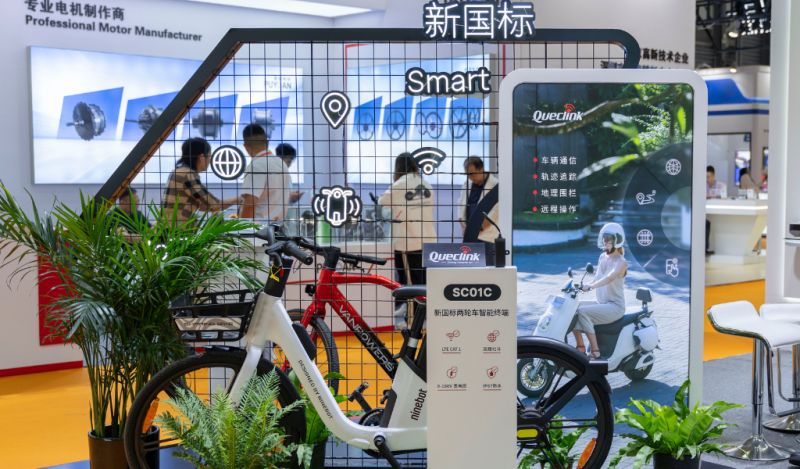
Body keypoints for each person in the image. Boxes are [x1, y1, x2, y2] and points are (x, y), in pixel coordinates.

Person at [378, 153, 437, 329]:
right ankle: (424, 318)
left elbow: (382, 201)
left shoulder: (399, 185)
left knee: (410, 284)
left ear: (398, 167)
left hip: (408, 242)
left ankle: (413, 322)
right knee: (424, 282)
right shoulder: (426, 184)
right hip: (428, 240)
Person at [573, 222, 628, 359]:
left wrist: (591, 287)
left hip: (615, 307)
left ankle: (595, 351)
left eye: (608, 239)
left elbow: (609, 278)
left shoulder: (621, 262)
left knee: (583, 312)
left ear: (617, 240)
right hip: (601, 302)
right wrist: (585, 285)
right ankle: (580, 347)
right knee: (573, 308)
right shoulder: (602, 257)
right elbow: (597, 278)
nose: (605, 242)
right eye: (604, 239)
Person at [162, 138, 240, 222]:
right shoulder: (187, 174)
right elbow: (213, 204)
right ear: (202, 157)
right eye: (209, 156)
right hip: (176, 227)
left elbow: (203, 204)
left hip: (167, 226)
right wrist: (238, 199)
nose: (210, 161)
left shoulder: (179, 171)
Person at [239, 124, 292, 220]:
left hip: (258, 227)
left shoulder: (256, 166)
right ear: (267, 142)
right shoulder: (281, 164)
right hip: (278, 225)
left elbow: (249, 205)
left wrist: (241, 226)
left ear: (246, 146)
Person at [459, 156, 499, 262]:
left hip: (486, 237)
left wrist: (474, 230)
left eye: (472, 174)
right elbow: (461, 207)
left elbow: (494, 214)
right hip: (469, 236)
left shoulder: (495, 185)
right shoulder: (467, 184)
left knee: (487, 268)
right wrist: (464, 228)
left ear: (481, 169)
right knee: (469, 268)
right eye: (467, 174)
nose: (470, 177)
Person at [705, 165, 726, 255]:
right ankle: (705, 248)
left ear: (713, 176)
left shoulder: (721, 185)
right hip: (705, 212)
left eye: (708, 177)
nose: (706, 179)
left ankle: (710, 248)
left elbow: (724, 197)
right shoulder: (702, 185)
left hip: (719, 212)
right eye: (705, 177)